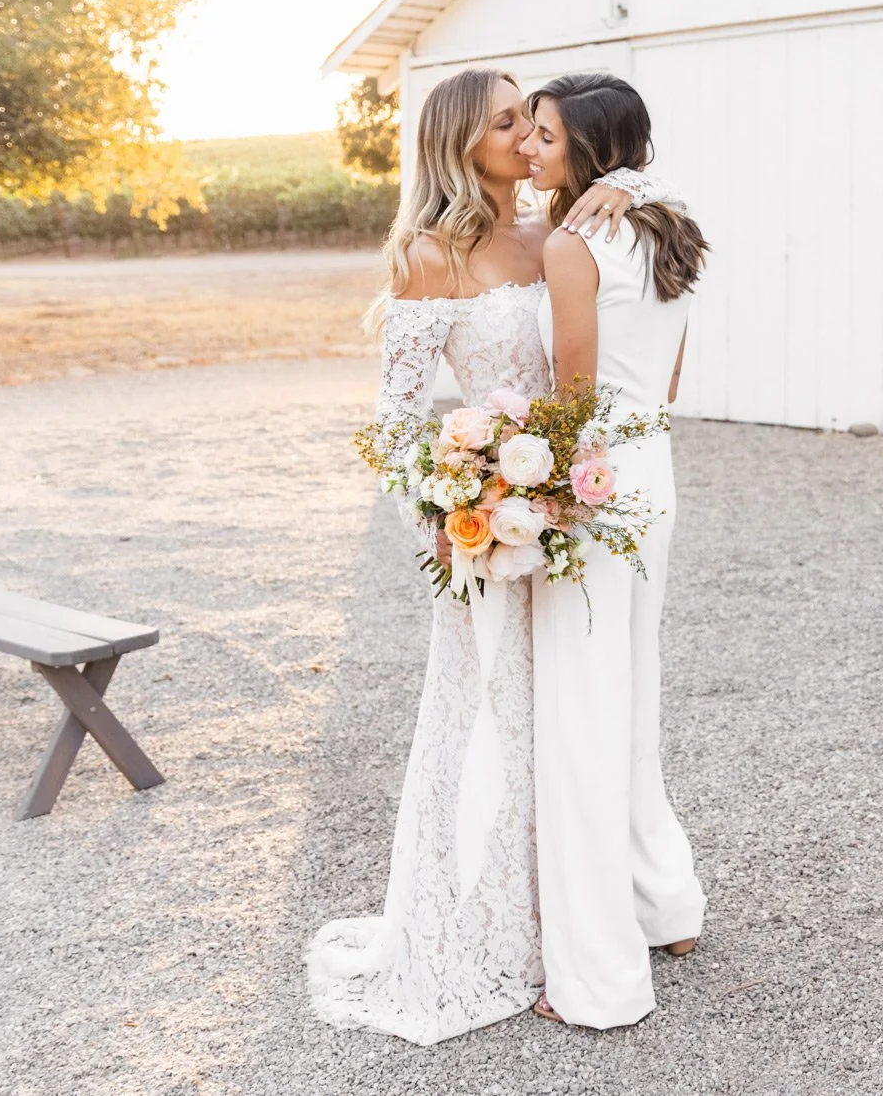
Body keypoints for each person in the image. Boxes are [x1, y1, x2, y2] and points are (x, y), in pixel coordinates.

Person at [305, 67, 674, 1044]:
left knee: (573, 729)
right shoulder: (430, 256)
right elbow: (394, 420)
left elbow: (639, 245)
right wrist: (448, 511)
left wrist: (625, 182)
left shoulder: (563, 226)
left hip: (573, 513)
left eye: (531, 122)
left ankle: (581, 924)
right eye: (507, 121)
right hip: (494, 533)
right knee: (490, 730)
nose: (526, 135)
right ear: (463, 143)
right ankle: (485, 929)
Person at [519, 72, 709, 1029]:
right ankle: (665, 905)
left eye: (546, 137)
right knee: (631, 691)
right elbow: (666, 381)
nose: (528, 148)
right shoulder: (669, 229)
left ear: (590, 152)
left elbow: (573, 390)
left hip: (593, 484)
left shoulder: (572, 244)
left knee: (583, 714)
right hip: (652, 473)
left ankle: (598, 976)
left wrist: (525, 488)